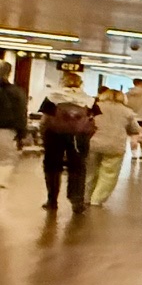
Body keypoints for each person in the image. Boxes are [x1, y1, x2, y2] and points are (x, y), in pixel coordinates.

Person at [37, 66, 95, 213]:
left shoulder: (53, 97)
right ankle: (77, 201)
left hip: (54, 136)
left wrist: (43, 135)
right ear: (80, 84)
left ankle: (52, 200)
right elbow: (94, 122)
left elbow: (44, 120)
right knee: (78, 168)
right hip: (79, 138)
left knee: (52, 168)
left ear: (62, 82)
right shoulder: (89, 100)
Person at [85, 84, 140, 207]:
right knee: (109, 174)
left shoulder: (94, 107)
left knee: (89, 171)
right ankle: (97, 199)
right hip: (115, 146)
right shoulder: (127, 112)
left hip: (93, 143)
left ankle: (86, 197)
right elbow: (135, 129)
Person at [0, 57, 25, 191]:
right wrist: (21, 133)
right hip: (6, 131)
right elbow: (21, 114)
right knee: (7, 159)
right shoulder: (16, 92)